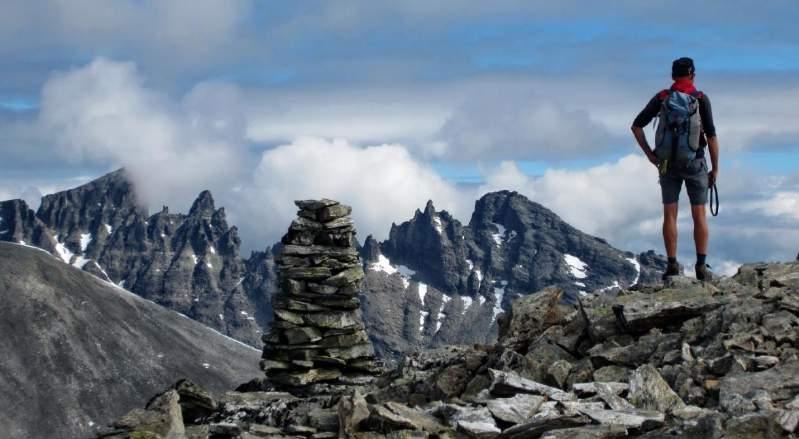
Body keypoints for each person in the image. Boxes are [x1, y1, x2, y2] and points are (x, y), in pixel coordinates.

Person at [631, 57, 719, 281]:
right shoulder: (700, 99)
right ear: (693, 75)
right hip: (695, 161)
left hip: (667, 163)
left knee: (670, 214)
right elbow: (711, 136)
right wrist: (715, 169)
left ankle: (671, 264)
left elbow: (636, 126)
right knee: (699, 214)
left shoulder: (662, 98)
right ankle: (701, 266)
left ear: (672, 76)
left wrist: (651, 155)